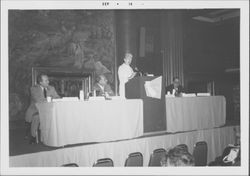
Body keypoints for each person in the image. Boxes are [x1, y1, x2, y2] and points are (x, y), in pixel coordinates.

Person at [25, 74, 60, 144]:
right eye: (46, 80)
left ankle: (54, 135)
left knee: (58, 115)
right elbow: (39, 100)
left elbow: (57, 98)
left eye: (48, 80)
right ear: (40, 82)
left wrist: (53, 98)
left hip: (49, 109)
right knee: (37, 117)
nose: (48, 82)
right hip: (36, 109)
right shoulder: (34, 88)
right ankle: (33, 136)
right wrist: (50, 99)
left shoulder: (51, 88)